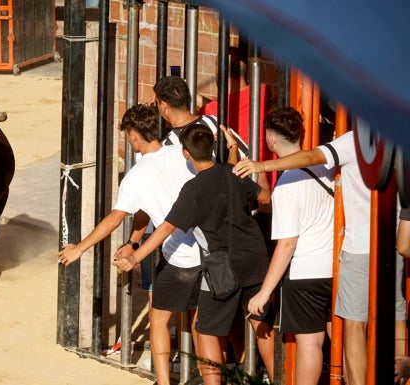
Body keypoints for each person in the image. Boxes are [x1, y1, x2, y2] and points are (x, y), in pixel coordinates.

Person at [58, 103, 238, 385]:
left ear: (132, 136)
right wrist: (133, 240)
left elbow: (115, 218)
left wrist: (79, 248)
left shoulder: (135, 176)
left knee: (158, 320)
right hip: (211, 252)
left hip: (179, 258)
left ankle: (164, 382)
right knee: (202, 326)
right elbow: (148, 206)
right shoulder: (182, 153)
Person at [233, 129, 407, 385]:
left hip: (357, 248)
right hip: (396, 242)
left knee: (353, 327)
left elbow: (310, 157)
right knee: (396, 320)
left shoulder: (353, 141)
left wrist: (263, 165)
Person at [115, 122, 275, 385]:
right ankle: (274, 377)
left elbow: (166, 227)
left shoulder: (194, 189)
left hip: (224, 266)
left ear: (186, 154)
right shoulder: (232, 173)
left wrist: (135, 256)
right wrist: (258, 166)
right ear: (212, 148)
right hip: (256, 258)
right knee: (261, 323)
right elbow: (265, 198)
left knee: (206, 331)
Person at [246, 107, 335, 385]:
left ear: (271, 140)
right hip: (335, 266)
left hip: (305, 272)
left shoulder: (284, 186)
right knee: (341, 335)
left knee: (311, 343)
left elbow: (286, 245)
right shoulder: (326, 170)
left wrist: (263, 293)